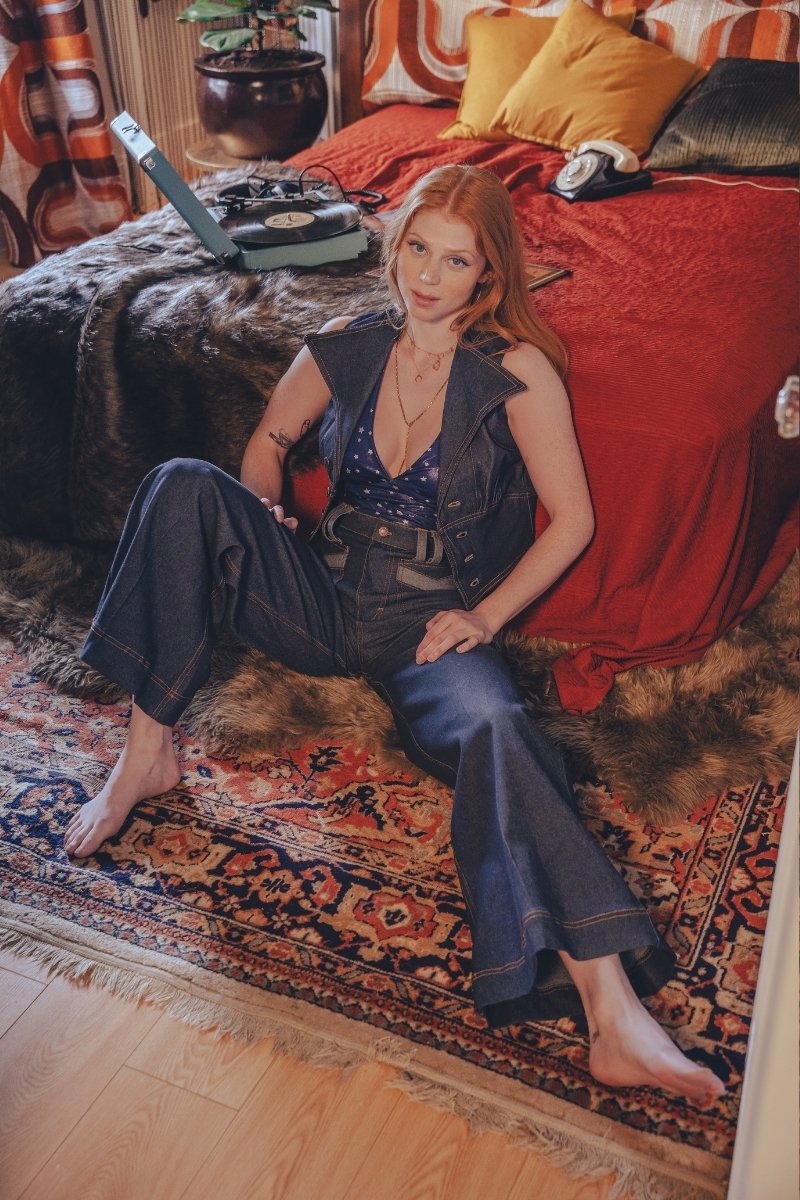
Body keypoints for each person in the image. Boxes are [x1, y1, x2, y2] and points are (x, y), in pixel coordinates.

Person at [65, 165, 724, 1103]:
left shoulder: (517, 370)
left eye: (455, 260)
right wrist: (264, 514)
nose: (427, 274)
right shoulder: (346, 343)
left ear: (486, 272)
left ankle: (612, 1011)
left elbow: (571, 519)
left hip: (430, 625)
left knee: (501, 734)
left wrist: (486, 618)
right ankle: (147, 755)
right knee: (181, 483)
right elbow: (268, 441)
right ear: (395, 242)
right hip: (325, 595)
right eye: (417, 247)